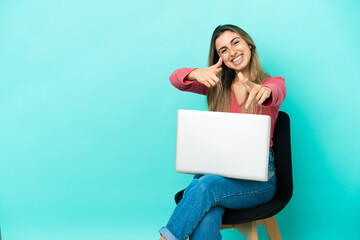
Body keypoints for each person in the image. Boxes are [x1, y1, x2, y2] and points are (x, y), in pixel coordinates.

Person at [159, 24, 286, 240]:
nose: (232, 52)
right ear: (220, 58)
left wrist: (262, 91)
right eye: (223, 50)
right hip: (216, 172)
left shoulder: (272, 83)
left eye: (235, 42)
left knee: (205, 186)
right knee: (207, 211)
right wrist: (197, 73)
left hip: (260, 180)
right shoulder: (217, 85)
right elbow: (175, 78)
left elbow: (275, 91)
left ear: (249, 44)